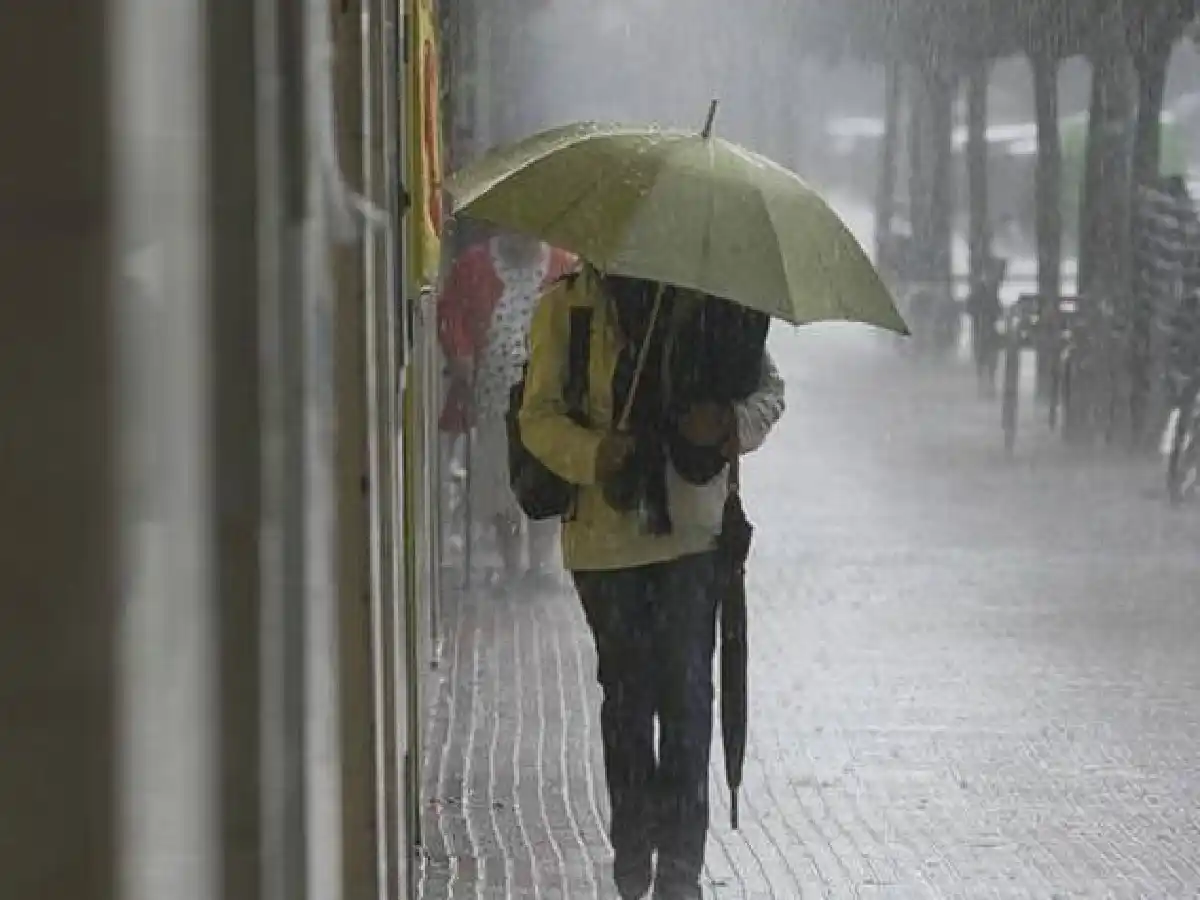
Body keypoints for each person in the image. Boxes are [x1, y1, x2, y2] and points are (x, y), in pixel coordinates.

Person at [520, 265, 785, 900]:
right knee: (630, 700)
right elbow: (538, 414)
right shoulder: (568, 310)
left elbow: (769, 393)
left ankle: (679, 875)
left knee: (689, 698)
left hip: (692, 538)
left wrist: (724, 421)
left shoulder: (710, 306)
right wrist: (593, 454)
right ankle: (634, 848)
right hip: (605, 544)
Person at [437, 230, 575, 585]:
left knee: (545, 471)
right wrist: (461, 354)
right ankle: (512, 562)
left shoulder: (563, 266)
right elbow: (451, 314)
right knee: (501, 477)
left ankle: (541, 563)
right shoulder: (474, 266)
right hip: (493, 398)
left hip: (547, 397)